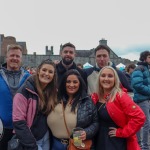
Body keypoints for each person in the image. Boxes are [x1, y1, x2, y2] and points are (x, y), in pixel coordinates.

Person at [91, 66, 145, 150]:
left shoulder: (121, 96)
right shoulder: (95, 96)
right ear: (99, 78)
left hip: (114, 142)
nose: (106, 78)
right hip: (98, 139)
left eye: (110, 76)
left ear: (115, 79)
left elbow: (139, 117)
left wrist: (122, 132)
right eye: (103, 75)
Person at [47, 69, 99, 150]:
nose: (71, 85)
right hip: (54, 143)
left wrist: (87, 132)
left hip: (75, 144)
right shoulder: (54, 98)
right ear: (64, 83)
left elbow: (95, 122)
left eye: (75, 82)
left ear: (80, 83)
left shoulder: (87, 101)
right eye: (68, 82)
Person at [13, 59, 57, 150]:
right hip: (31, 140)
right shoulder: (24, 91)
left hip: (46, 137)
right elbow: (19, 122)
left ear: (53, 75)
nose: (47, 74)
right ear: (38, 71)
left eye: (50, 72)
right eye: (44, 70)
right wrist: (32, 146)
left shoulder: (51, 92)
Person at [0, 44, 30, 150]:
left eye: (18, 56)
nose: (15, 58)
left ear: (21, 59)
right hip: (2, 128)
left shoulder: (29, 77)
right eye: (12, 55)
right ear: (6, 57)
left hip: (22, 128)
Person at [131, 50, 150, 150]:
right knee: (145, 123)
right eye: (149, 57)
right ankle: (144, 146)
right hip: (141, 100)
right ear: (144, 58)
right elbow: (137, 85)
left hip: (145, 99)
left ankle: (140, 144)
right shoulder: (140, 68)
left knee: (143, 123)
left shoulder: (146, 68)